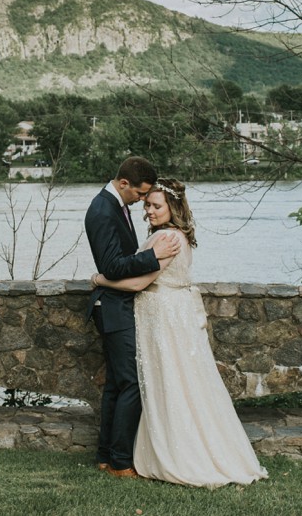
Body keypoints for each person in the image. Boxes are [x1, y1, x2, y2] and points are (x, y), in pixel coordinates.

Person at [91, 178, 268, 488]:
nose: (148, 210)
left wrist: (100, 280)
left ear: (172, 208)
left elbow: (138, 283)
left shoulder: (169, 239)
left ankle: (176, 452)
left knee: (169, 381)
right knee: (168, 381)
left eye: (156, 205)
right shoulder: (169, 235)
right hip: (165, 314)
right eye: (147, 204)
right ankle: (122, 453)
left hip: (164, 316)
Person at [85, 156, 181, 479]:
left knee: (116, 383)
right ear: (123, 184)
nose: (143, 202)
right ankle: (121, 462)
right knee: (131, 385)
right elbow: (112, 266)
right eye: (140, 195)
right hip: (112, 305)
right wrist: (152, 256)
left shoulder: (117, 207)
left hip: (118, 303)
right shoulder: (101, 210)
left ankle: (105, 456)